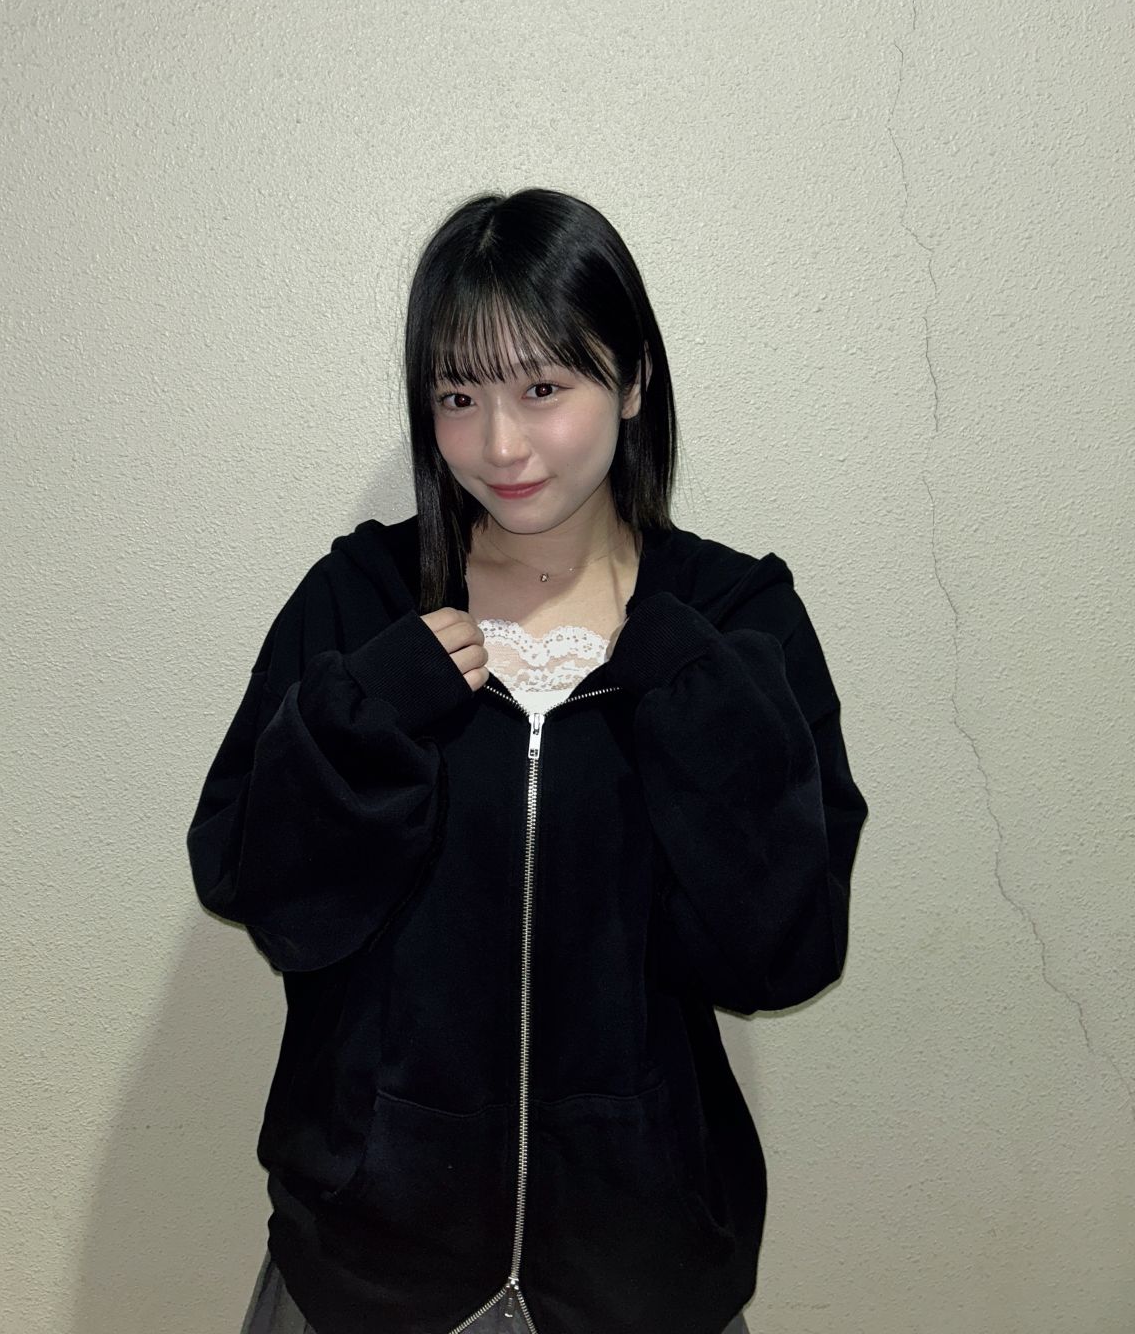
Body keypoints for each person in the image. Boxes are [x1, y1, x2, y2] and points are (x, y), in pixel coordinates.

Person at [187, 187, 869, 1334]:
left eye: (542, 389)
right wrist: (369, 715)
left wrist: (686, 689)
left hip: (638, 1271)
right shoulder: (360, 603)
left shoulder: (734, 620)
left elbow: (783, 948)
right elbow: (262, 892)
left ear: (633, 379)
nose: (498, 444)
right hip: (370, 1265)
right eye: (458, 396)